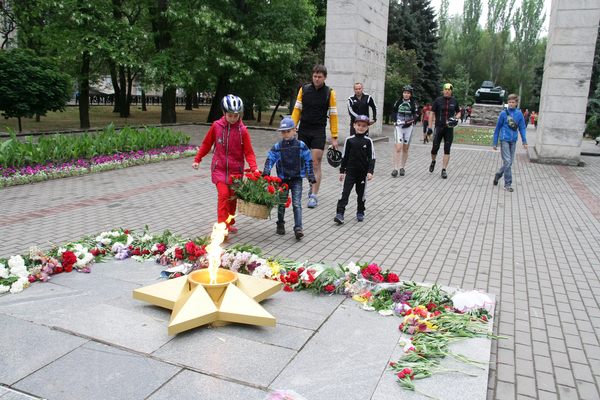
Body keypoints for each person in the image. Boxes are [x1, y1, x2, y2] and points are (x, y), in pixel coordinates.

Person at [192, 94, 258, 234]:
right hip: (219, 169)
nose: (233, 118)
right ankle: (222, 228)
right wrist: (198, 159)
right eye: (230, 115)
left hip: (236, 171)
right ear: (224, 113)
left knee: (232, 198)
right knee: (223, 195)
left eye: (236, 116)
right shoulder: (216, 126)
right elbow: (206, 144)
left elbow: (249, 152)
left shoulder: (242, 131)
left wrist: (254, 168)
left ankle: (229, 222)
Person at [291, 64, 339, 208]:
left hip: (318, 131)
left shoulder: (329, 93)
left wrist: (334, 136)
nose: (317, 79)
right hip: (304, 130)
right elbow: (297, 110)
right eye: (315, 76)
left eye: (320, 77)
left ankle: (313, 195)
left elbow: (333, 115)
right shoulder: (304, 90)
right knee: (304, 163)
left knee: (315, 162)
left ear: (325, 78)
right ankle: (312, 182)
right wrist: (292, 127)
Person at [263, 117, 316, 240]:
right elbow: (270, 158)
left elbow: (308, 160)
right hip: (283, 180)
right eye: (283, 132)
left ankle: (298, 228)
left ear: (294, 130)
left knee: (297, 204)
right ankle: (280, 223)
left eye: (288, 131)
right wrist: (266, 171)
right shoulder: (278, 147)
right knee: (281, 204)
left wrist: (310, 175)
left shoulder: (301, 146)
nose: (286, 134)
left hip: (297, 179)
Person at [334, 115, 375, 224]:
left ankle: (360, 211)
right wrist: (342, 171)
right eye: (359, 125)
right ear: (354, 125)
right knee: (345, 193)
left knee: (361, 194)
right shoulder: (349, 140)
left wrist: (370, 171)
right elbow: (345, 156)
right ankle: (340, 213)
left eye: (364, 126)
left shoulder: (368, 141)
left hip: (362, 173)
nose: (361, 127)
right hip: (350, 172)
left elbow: (372, 158)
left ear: (367, 127)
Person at [492, 94, 528, 192]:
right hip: (504, 140)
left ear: (516, 103)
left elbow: (522, 128)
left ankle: (498, 174)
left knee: (509, 162)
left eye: (513, 102)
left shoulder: (519, 114)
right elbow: (497, 128)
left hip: (513, 140)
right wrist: (494, 143)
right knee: (507, 161)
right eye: (509, 102)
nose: (511, 104)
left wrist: (524, 141)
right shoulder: (503, 113)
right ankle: (507, 184)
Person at [428, 83, 461, 179]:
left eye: (449, 90)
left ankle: (444, 169)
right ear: (443, 90)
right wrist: (429, 127)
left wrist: (456, 118)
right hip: (439, 127)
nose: (447, 91)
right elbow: (431, 113)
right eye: (445, 89)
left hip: (449, 129)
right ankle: (433, 161)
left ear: (451, 91)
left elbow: (459, 112)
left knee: (447, 149)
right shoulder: (438, 100)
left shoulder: (454, 101)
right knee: (434, 148)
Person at [391, 85, 419, 177]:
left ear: (411, 94)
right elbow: (393, 112)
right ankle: (395, 168)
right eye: (404, 93)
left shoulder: (414, 103)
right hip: (398, 127)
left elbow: (416, 116)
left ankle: (402, 167)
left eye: (408, 93)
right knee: (398, 147)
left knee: (405, 148)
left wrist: (407, 122)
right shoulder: (398, 102)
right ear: (402, 93)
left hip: (408, 128)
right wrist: (394, 121)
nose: (406, 94)